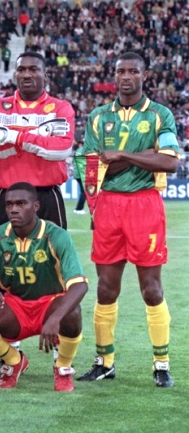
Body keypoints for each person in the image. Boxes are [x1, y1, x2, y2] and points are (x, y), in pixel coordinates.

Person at [77, 52, 180, 388]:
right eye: (120, 71)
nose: (126, 76)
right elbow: (91, 171)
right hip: (108, 206)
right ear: (114, 75)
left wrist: (120, 155)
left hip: (145, 205)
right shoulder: (98, 117)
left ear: (144, 75)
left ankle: (161, 364)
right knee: (106, 288)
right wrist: (144, 156)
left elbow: (170, 163)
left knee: (151, 289)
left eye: (133, 71)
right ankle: (104, 362)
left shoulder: (160, 115)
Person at [0, 51, 75, 376]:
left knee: (55, 268)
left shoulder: (60, 107)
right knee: (4, 268)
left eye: (34, 69)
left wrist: (14, 136)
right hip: (9, 196)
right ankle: (11, 352)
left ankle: (60, 348)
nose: (27, 74)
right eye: (22, 69)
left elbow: (60, 149)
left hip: (46, 195)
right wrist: (39, 136)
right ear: (15, 74)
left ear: (45, 74)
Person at [0, 182, 88, 391]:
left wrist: (55, 318)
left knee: (72, 312)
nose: (13, 209)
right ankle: (14, 361)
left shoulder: (56, 235)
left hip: (50, 304)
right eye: (9, 204)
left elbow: (79, 286)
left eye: (21, 204)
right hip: (16, 306)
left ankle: (63, 367)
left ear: (36, 206)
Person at [72, 144, 86, 214]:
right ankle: (79, 209)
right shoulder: (85, 150)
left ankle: (78, 208)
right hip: (82, 174)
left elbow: (73, 162)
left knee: (84, 192)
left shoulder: (78, 150)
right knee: (84, 192)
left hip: (77, 173)